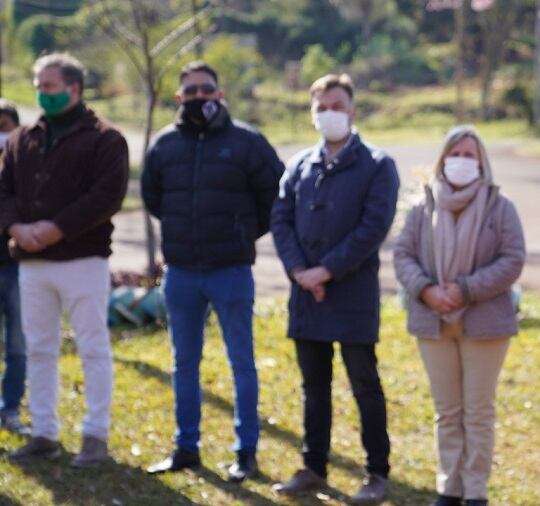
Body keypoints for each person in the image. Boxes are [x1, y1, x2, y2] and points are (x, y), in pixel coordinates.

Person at [142, 61, 284, 482]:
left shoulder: (247, 142)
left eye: (206, 89)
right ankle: (186, 447)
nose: (198, 96)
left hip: (231, 270)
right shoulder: (165, 145)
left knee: (242, 363)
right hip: (182, 273)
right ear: (179, 97)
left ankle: (246, 453)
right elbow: (153, 197)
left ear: (219, 95)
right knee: (183, 363)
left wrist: (241, 235)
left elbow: (273, 197)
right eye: (190, 91)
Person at [271, 73, 399, 503]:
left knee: (364, 383)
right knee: (314, 386)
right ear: (312, 113)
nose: (330, 114)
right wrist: (299, 271)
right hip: (305, 293)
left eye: (337, 106)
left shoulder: (378, 165)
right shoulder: (299, 165)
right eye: (321, 107)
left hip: (351, 293)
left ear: (353, 110)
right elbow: (281, 219)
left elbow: (372, 228)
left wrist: (325, 271)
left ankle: (376, 472)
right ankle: (313, 466)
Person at [0, 53, 129, 467]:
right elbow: (3, 192)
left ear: (73, 89)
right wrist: (17, 229)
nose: (41, 92)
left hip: (81, 260)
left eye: (49, 86)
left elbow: (106, 196)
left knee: (92, 347)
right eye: (38, 84)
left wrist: (56, 228)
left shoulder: (105, 139)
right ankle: (43, 432)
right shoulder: (24, 139)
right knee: (39, 348)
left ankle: (95, 435)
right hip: (32, 264)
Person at [394, 126, 525, 506]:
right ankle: (449, 488)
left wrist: (465, 289)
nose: (462, 162)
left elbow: (512, 259)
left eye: (470, 155)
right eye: (456, 154)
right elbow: (403, 255)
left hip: (485, 323)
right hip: (433, 320)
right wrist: (427, 290)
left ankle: (475, 492)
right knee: (447, 411)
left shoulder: (500, 206)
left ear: (481, 162)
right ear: (443, 159)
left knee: (478, 411)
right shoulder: (422, 206)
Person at [0, 99, 28, 436]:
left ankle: (11, 408)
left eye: (4, 128)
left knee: (18, 345)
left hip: (18, 268)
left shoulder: (27, 173)